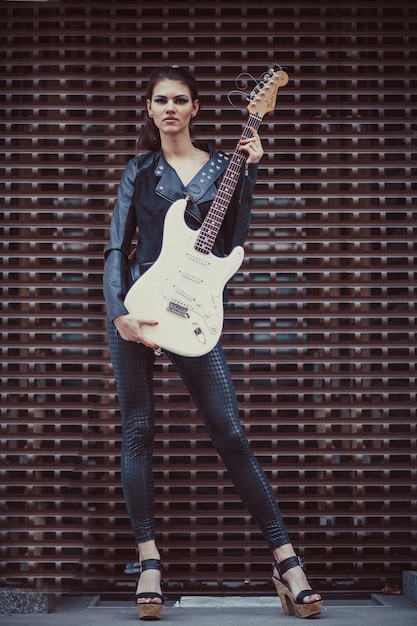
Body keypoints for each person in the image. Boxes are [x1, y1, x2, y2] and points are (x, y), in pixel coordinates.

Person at [103, 65, 322, 621]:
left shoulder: (225, 166)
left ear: (196, 108)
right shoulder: (139, 169)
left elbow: (232, 241)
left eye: (180, 99)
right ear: (150, 110)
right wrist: (120, 314)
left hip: (193, 310)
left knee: (229, 433)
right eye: (160, 100)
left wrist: (247, 173)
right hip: (139, 309)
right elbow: (115, 248)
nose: (170, 108)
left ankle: (285, 559)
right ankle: (149, 560)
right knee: (138, 429)